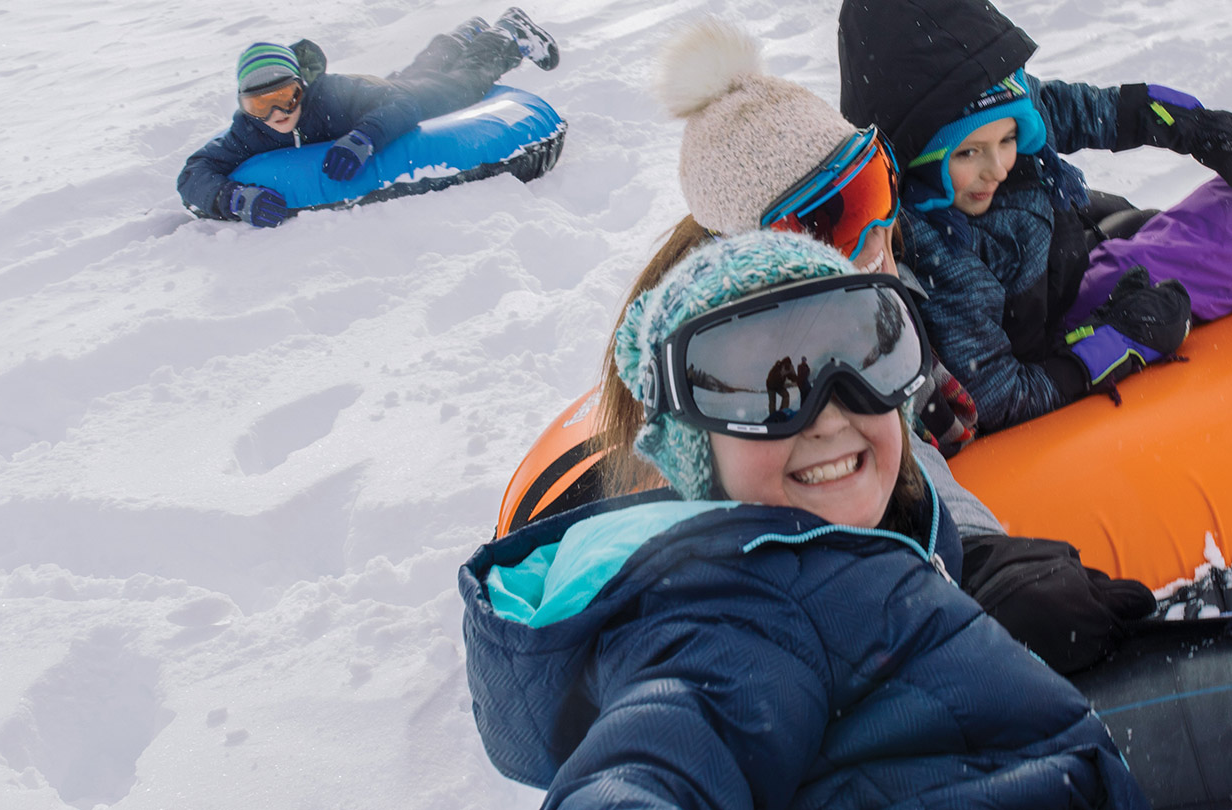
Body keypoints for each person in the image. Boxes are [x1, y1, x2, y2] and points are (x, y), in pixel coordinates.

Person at [460, 229, 1152, 810]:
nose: (827, 412)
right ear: (696, 452)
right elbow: (656, 756)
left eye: (857, 362)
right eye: (772, 390)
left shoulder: (847, 547)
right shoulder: (731, 610)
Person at [592, 18, 1154, 673]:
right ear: (757, 268)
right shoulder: (784, 381)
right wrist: (980, 564)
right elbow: (890, 456)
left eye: (870, 190)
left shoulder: (880, 269)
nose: (875, 240)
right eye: (825, 224)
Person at [838, 0, 1232, 433]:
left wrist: (1205, 129)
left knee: (1228, 195)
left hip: (1062, 249)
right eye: (968, 155)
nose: (998, 166)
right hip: (1048, 332)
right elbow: (998, 395)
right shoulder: (938, 251)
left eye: (1008, 139)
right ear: (915, 158)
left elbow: (1102, 110)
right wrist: (1118, 339)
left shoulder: (1000, 117)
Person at [176, 8, 559, 228]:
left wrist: (363, 139)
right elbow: (195, 172)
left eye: (285, 97)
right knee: (419, 71)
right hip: (381, 87)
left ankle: (509, 31)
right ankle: (464, 36)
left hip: (393, 99)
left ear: (302, 89)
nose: (277, 113)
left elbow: (401, 106)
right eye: (261, 106)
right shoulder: (249, 132)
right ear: (245, 107)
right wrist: (233, 198)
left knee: (460, 84)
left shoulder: (330, 95)